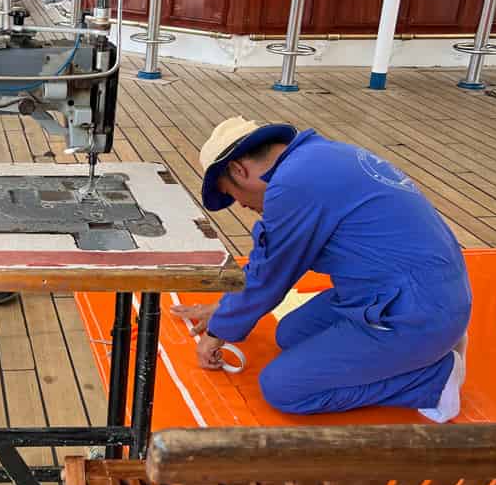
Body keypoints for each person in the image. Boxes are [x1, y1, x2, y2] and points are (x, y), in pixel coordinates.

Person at [171, 116, 470, 421]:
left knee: (283, 388)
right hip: (422, 291)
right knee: (291, 333)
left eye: (233, 196)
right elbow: (274, 261)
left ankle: (433, 379)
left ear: (238, 170)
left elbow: (271, 273)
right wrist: (224, 309)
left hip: (415, 311)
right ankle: (425, 344)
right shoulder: (321, 157)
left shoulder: (292, 186)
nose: (243, 206)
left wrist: (219, 330)